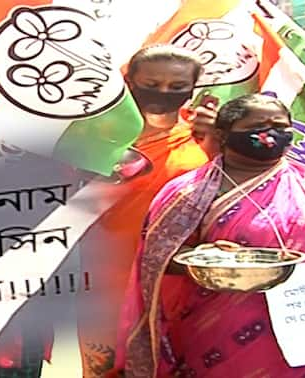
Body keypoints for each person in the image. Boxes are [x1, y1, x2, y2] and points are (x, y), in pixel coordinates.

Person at [113, 93, 305, 377]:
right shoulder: (189, 192)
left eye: (280, 125)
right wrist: (206, 259)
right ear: (223, 134)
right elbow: (157, 258)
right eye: (258, 124)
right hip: (222, 326)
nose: (271, 133)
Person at [76, 44, 216, 376]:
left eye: (177, 87)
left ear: (193, 89)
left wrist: (217, 140)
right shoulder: (96, 135)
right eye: (151, 85)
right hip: (104, 281)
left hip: (173, 285)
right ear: (129, 81)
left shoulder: (203, 138)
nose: (164, 94)